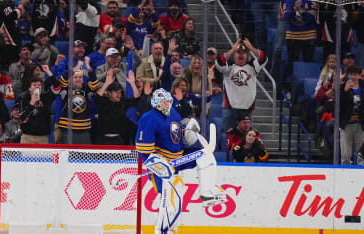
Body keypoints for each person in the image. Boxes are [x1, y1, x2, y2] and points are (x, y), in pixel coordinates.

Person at [135, 88, 224, 234]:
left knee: (205, 156)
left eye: (168, 100)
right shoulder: (149, 118)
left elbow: (175, 137)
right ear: (156, 102)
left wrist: (188, 134)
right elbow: (143, 150)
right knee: (170, 206)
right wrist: (159, 165)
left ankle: (208, 192)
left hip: (178, 159)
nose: (167, 103)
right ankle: (161, 231)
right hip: (162, 167)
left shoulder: (174, 114)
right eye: (163, 100)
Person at [216, 38, 268, 134]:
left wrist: (250, 47)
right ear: (234, 55)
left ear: (247, 56)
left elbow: (263, 58)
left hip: (247, 109)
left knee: (246, 137)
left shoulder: (253, 68)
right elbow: (219, 61)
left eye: (243, 53)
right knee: (225, 135)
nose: (240, 54)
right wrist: (233, 49)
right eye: (238, 52)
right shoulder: (228, 70)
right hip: (230, 108)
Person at [94, 69, 140, 145]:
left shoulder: (123, 102)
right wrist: (106, 83)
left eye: (120, 92)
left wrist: (132, 83)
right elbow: (98, 96)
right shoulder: (103, 102)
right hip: (102, 140)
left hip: (119, 140)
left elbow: (137, 98)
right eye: (116, 92)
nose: (119, 95)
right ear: (109, 93)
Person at [57, 69, 98, 144]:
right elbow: (62, 81)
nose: (78, 79)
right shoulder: (65, 89)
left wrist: (89, 69)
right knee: (68, 154)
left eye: (80, 77)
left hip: (84, 128)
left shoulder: (86, 89)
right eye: (75, 77)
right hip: (67, 128)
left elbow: (94, 85)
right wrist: (72, 70)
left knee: (84, 154)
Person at [19, 69, 59, 144]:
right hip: (27, 137)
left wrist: (49, 73)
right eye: (34, 85)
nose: (37, 86)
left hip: (42, 137)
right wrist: (31, 104)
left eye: (39, 85)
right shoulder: (24, 98)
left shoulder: (46, 97)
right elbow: (22, 119)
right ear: (30, 88)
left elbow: (58, 88)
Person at [0, 0, 30, 69]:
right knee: (9, 68)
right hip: (8, 43)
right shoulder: (1, 4)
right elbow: (13, 15)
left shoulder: (9, 4)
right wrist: (22, 5)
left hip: (13, 41)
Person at [339, 64, 364, 165]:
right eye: (350, 74)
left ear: (359, 76)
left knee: (361, 155)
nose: (353, 77)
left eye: (355, 74)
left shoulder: (363, 88)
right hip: (346, 125)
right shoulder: (343, 87)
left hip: (360, 125)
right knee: (346, 156)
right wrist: (344, 90)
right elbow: (338, 106)